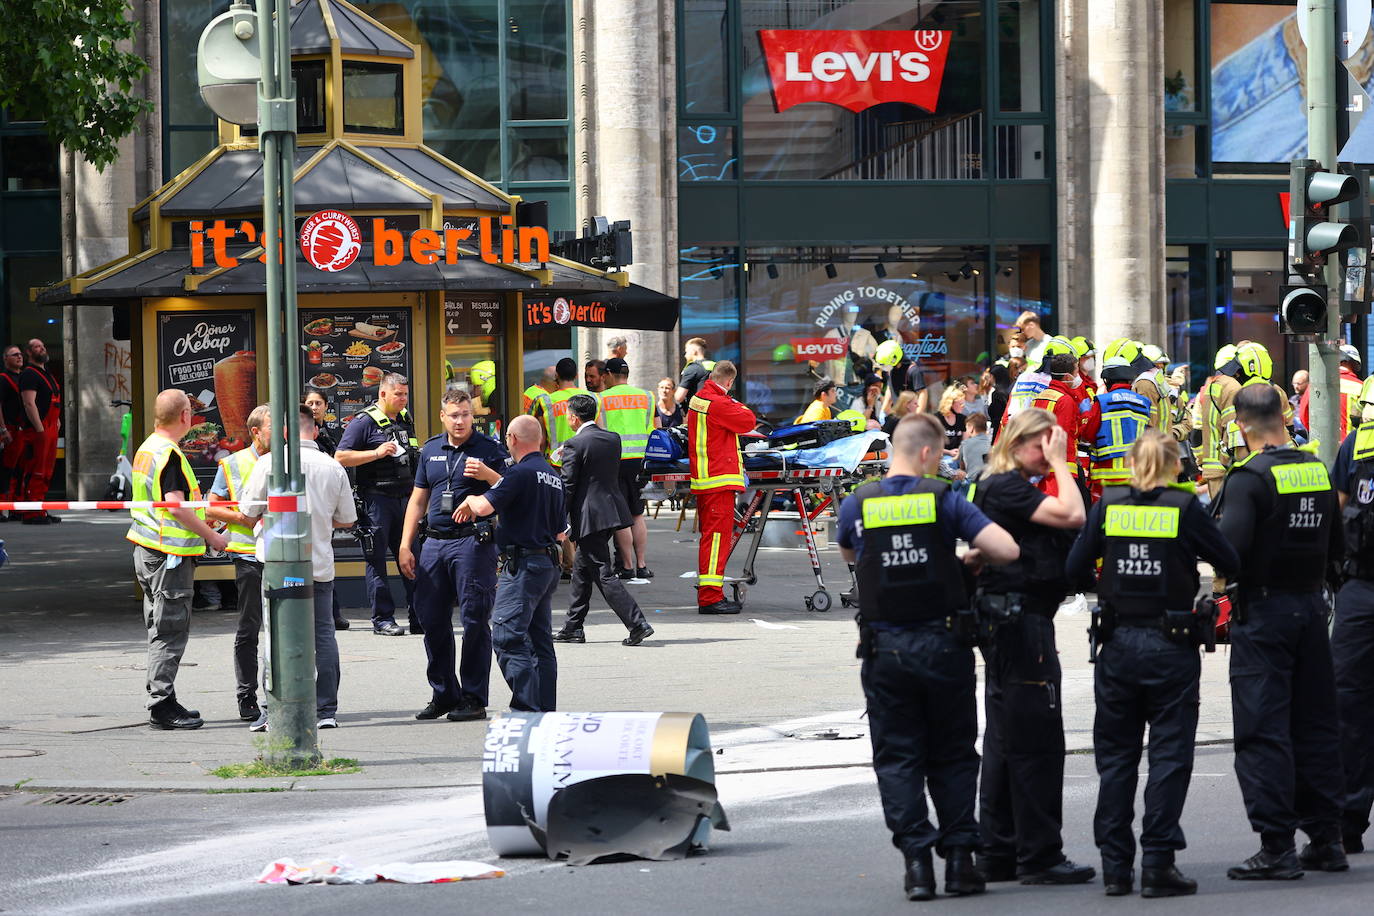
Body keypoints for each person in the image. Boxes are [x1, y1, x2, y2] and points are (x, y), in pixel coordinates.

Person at [838, 412, 1019, 901]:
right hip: (943, 646)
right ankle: (960, 863)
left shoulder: (857, 502)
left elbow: (854, 556)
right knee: (953, 755)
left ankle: (917, 865)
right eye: (939, 454)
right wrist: (959, 558)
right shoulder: (943, 499)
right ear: (925, 453)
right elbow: (1005, 548)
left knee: (897, 759)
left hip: (885, 649)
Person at [1066, 430, 1240, 897]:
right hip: (1172, 645)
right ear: (1174, 466)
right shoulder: (1185, 509)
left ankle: (1116, 868)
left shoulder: (1110, 506)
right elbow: (1229, 558)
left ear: (1131, 463)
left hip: (1118, 644)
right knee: (1169, 755)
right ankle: (1159, 864)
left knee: (1117, 758)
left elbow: (1075, 567)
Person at [1217, 384, 1347, 879]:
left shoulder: (1248, 478)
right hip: (1312, 611)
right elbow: (1336, 542)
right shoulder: (1314, 469)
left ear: (1241, 423)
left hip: (1264, 615)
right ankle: (1326, 839)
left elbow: (1229, 552)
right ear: (1283, 414)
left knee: (1263, 728)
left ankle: (1277, 847)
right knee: (1315, 723)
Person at [967, 408, 1092, 885]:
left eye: (1053, 445)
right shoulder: (1004, 484)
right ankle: (1039, 855)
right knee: (1038, 740)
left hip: (1009, 619)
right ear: (1016, 444)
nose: (1049, 453)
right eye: (1041, 445)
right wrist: (1063, 463)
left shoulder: (994, 483)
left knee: (1004, 738)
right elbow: (1073, 513)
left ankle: (997, 851)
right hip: (1020, 623)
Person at [239, 406, 357, 731]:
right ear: (315, 431)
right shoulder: (333, 468)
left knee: (275, 635)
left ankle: (271, 708)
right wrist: (321, 520)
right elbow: (347, 519)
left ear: (286, 432)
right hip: (318, 565)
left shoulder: (268, 464)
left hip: (277, 565)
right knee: (323, 636)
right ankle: (325, 709)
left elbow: (248, 512)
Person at [397, 388, 507, 723]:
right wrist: (405, 544)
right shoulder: (430, 449)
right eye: (454, 415)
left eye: (466, 415)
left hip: (473, 544)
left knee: (474, 620)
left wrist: (488, 477)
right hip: (433, 544)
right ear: (443, 416)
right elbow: (418, 500)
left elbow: (512, 488)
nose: (460, 421)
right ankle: (444, 693)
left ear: (473, 415)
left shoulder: (489, 450)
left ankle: (473, 697)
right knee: (431, 620)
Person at [127, 389, 229, 730]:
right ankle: (161, 705)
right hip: (167, 556)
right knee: (169, 629)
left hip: (147, 549)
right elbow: (174, 504)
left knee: (160, 627)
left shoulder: (147, 447)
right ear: (186, 415)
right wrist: (211, 535)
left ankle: (164, 697)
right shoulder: (168, 453)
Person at [454, 415, 566, 713]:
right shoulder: (552, 475)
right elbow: (561, 531)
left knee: (505, 635)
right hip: (546, 563)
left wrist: (471, 500)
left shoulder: (520, 473)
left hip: (523, 566)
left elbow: (485, 506)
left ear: (513, 440)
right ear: (540, 440)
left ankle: (528, 708)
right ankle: (544, 710)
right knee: (539, 642)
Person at [552, 394, 654, 646]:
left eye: (568, 414)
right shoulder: (612, 438)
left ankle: (637, 623)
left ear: (574, 417)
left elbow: (569, 485)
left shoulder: (575, 444)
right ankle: (573, 626)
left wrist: (557, 519)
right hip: (610, 511)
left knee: (602, 572)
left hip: (589, 515)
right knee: (581, 570)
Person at [1325, 376, 1374, 855]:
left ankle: (1347, 822)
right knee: (1350, 704)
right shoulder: (1356, 445)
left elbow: (1336, 514)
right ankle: (1347, 821)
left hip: (1359, 591)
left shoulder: (1356, 443)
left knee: (1351, 705)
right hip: (1359, 587)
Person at [334, 373, 420, 636]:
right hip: (376, 501)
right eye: (398, 394)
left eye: (406, 394)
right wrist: (376, 453)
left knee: (414, 557)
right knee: (377, 560)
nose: (403, 399)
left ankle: (420, 616)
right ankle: (383, 619)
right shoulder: (363, 422)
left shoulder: (405, 420)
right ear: (383, 394)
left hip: (405, 499)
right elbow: (340, 456)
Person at [205, 404, 270, 722]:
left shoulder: (290, 461)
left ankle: (283, 694)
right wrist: (242, 517)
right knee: (250, 628)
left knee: (286, 629)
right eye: (276, 427)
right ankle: (247, 696)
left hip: (285, 556)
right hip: (247, 555)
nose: (284, 434)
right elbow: (211, 508)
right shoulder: (232, 463)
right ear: (256, 431)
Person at [688, 360, 756, 615]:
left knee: (711, 539)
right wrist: (735, 401)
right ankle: (710, 597)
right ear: (729, 382)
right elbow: (748, 420)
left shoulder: (700, 399)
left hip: (707, 479)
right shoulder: (718, 403)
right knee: (717, 540)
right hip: (718, 478)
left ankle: (710, 593)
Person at [599, 358, 655, 579]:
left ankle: (627, 566)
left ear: (610, 375)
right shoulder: (646, 396)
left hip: (614, 460)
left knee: (621, 516)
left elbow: (600, 431)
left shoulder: (601, 398)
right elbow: (652, 429)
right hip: (640, 461)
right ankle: (642, 565)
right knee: (638, 514)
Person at [1080, 339, 1154, 499]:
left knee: (1105, 518)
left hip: (1107, 475)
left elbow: (1088, 434)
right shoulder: (1144, 402)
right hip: (1137, 472)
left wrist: (1085, 414)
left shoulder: (1103, 401)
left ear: (1107, 380)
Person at [16, 338, 62, 524]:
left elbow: (52, 400)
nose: (41, 349)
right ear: (29, 352)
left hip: (50, 428)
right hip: (39, 430)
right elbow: (29, 403)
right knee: (36, 471)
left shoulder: (47, 374)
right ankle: (30, 513)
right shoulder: (29, 374)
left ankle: (40, 509)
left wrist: (56, 420)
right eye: (37, 347)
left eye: (43, 346)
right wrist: (40, 428)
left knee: (47, 472)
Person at [531, 357, 599, 469]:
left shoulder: (546, 401)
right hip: (586, 460)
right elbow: (600, 431)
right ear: (576, 375)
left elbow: (541, 440)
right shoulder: (593, 398)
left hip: (557, 463)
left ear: (556, 376)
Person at [1198, 344, 1242, 500]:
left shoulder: (1212, 386)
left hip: (1210, 465)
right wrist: (1228, 459)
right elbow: (1232, 427)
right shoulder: (1232, 386)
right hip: (1224, 467)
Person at [1299, 344, 1362, 441]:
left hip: (1324, 445)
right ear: (1355, 364)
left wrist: (1316, 434)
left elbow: (1304, 414)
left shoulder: (1317, 383)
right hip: (1351, 446)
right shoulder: (1361, 386)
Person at [0, 343, 24, 517]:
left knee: (19, 469)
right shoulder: (3, 378)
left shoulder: (23, 378)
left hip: (22, 431)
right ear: (5, 359)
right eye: (14, 354)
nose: (19, 356)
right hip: (9, 429)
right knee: (5, 469)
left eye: (20, 354)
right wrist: (3, 430)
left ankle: (16, 507)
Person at [675, 337, 715, 404]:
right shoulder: (715, 366)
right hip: (715, 409)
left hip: (697, 410)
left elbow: (679, 397)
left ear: (694, 352)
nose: (685, 355)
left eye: (686, 352)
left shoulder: (692, 368)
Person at [302, 388, 337, 456]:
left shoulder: (327, 431)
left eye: (318, 403)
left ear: (326, 405)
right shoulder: (302, 431)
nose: (314, 407)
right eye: (310, 404)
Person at [959, 413, 991, 480]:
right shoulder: (992, 444)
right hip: (990, 482)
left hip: (973, 483)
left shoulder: (965, 444)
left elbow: (962, 468)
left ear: (971, 428)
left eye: (966, 427)